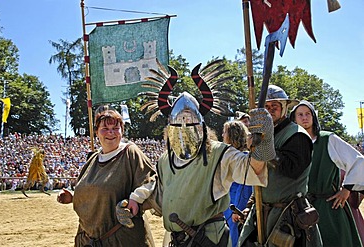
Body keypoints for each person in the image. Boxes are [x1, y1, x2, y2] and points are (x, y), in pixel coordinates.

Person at [141, 60, 275, 247]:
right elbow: (160, 196)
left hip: (209, 240)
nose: (185, 127)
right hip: (176, 239)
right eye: (179, 122)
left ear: (201, 126)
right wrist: (134, 203)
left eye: (190, 122)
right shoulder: (166, 160)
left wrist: (265, 139)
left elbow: (254, 168)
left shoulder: (220, 153)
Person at [57, 105, 156, 247]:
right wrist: (74, 197)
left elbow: (151, 182)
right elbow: (100, 194)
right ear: (97, 132)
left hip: (122, 239)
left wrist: (135, 199)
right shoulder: (93, 160)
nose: (111, 133)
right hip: (88, 240)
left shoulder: (130, 153)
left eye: (116, 128)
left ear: (122, 131)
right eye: (105, 129)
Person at [239, 85, 322, 247]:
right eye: (267, 107)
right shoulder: (264, 135)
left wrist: (264, 148)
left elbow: (292, 170)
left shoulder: (297, 135)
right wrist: (250, 204)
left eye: (274, 107)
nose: (270, 110)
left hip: (288, 215)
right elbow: (259, 175)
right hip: (260, 212)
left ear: (284, 108)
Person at [290, 100, 364, 247]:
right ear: (294, 118)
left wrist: (346, 189)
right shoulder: (292, 143)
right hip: (301, 208)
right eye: (300, 115)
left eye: (308, 114)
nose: (304, 117)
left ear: (313, 117)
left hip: (329, 207)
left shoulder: (327, 139)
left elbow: (358, 161)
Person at [222, 119, 253, 247]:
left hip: (235, 206)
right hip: (227, 205)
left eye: (225, 132)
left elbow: (244, 186)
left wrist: (237, 209)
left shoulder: (242, 157)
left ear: (232, 135)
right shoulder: (229, 155)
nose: (222, 135)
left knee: (234, 241)